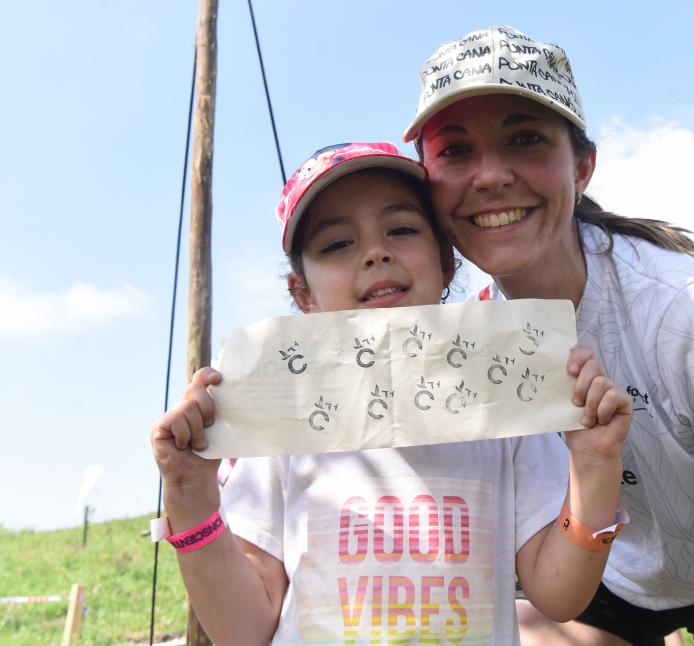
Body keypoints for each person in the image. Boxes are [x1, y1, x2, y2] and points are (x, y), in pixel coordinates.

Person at [404, 27, 694, 645]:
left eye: (525, 138)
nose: (491, 176)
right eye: (455, 151)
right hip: (611, 583)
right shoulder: (471, 346)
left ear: (582, 166)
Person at [150, 142, 633, 644]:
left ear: (447, 264)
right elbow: (245, 630)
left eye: (402, 229)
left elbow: (559, 596)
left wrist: (595, 466)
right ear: (303, 295)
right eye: (336, 243)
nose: (375, 253)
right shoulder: (278, 415)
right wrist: (190, 497)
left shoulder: (506, 399)